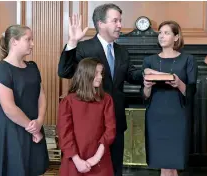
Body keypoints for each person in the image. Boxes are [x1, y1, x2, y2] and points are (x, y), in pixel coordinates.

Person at [58, 4, 142, 175]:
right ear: (101, 23)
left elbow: (133, 75)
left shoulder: (123, 52)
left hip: (115, 121)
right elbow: (64, 71)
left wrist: (149, 74)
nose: (120, 25)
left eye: (120, 20)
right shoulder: (83, 48)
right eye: (115, 21)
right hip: (89, 124)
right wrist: (73, 41)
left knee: (115, 169)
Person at [142, 21, 197, 176]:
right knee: (163, 164)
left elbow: (192, 92)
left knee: (173, 163)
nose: (161, 36)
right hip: (155, 115)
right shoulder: (149, 61)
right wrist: (146, 85)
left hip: (177, 115)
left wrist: (179, 83)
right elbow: (145, 96)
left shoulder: (188, 60)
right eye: (160, 33)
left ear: (176, 37)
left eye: (166, 33)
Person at [0, 25, 49, 176]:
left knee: (35, 169)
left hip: (35, 127)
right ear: (14, 41)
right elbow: (8, 107)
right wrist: (33, 128)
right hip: (14, 131)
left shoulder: (33, 67)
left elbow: (41, 96)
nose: (32, 44)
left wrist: (39, 120)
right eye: (28, 39)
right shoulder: (2, 69)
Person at [57, 58, 116, 176]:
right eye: (96, 73)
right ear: (85, 75)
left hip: (100, 160)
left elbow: (110, 130)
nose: (100, 77)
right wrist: (77, 160)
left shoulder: (106, 99)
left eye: (101, 73)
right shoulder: (68, 101)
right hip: (73, 159)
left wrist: (96, 158)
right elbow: (65, 133)